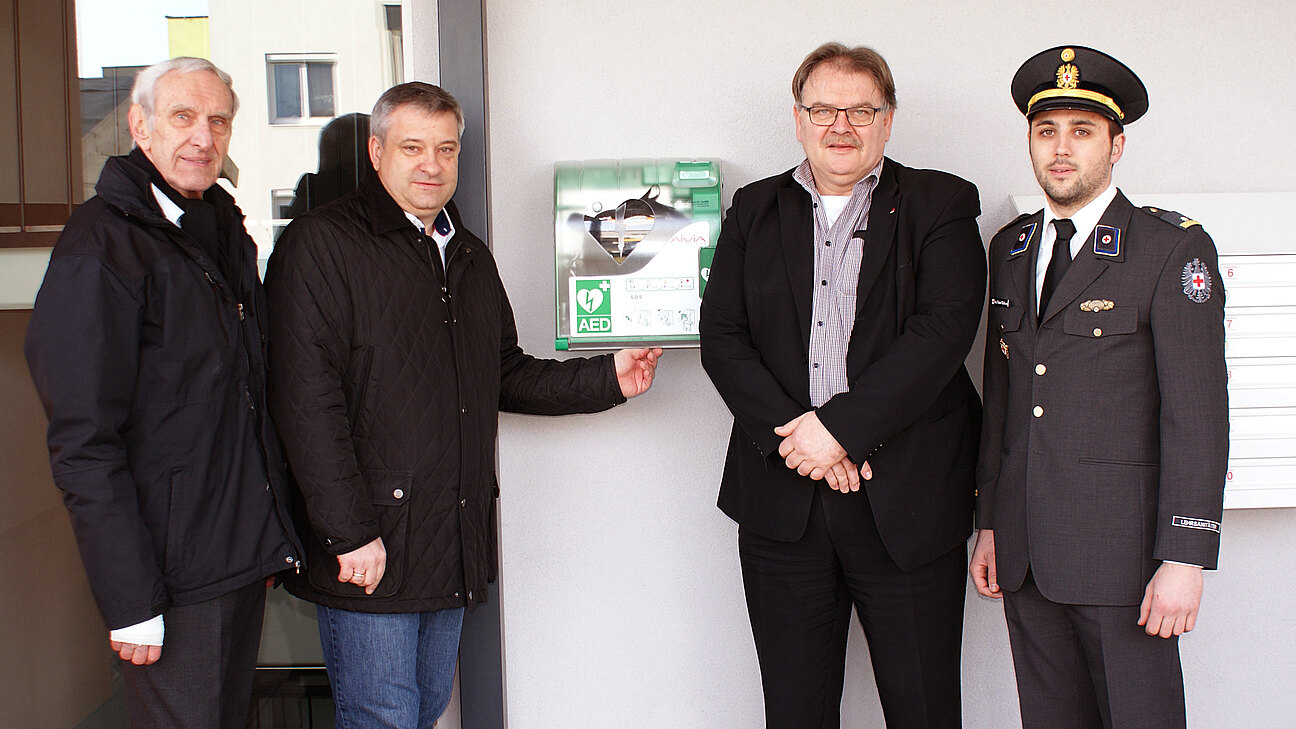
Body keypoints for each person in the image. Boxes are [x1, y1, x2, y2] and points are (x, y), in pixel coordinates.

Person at [264, 81, 661, 728]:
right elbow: (305, 401)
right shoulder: (322, 244)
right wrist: (348, 532)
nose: (432, 164)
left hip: (450, 535)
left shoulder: (468, 253)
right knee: (382, 718)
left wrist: (608, 377)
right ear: (376, 151)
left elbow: (503, 373)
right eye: (412, 147)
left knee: (422, 710)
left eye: (445, 149)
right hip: (368, 544)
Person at [699, 42, 985, 729]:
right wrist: (804, 443)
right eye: (824, 109)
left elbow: (942, 334)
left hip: (907, 506)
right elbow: (723, 338)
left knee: (924, 710)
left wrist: (839, 431)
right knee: (794, 712)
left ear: (887, 120)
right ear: (798, 119)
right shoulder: (754, 208)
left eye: (861, 110)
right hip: (782, 506)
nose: (841, 126)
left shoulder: (940, 203)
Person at [24, 57, 302, 729]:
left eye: (218, 121)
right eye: (183, 117)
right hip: (169, 575)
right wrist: (130, 600)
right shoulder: (102, 244)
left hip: (232, 555)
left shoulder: (219, 225)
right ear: (139, 126)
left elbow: (244, 397)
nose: (203, 137)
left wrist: (264, 534)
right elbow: (84, 441)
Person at [970, 46, 1228, 729]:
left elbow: (1198, 415)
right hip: (1026, 551)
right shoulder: (1011, 248)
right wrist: (991, 521)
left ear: (1116, 146)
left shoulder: (1168, 249)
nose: (1061, 149)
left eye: (1081, 132)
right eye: (1046, 130)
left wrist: (1185, 556)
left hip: (1125, 560)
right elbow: (1004, 399)